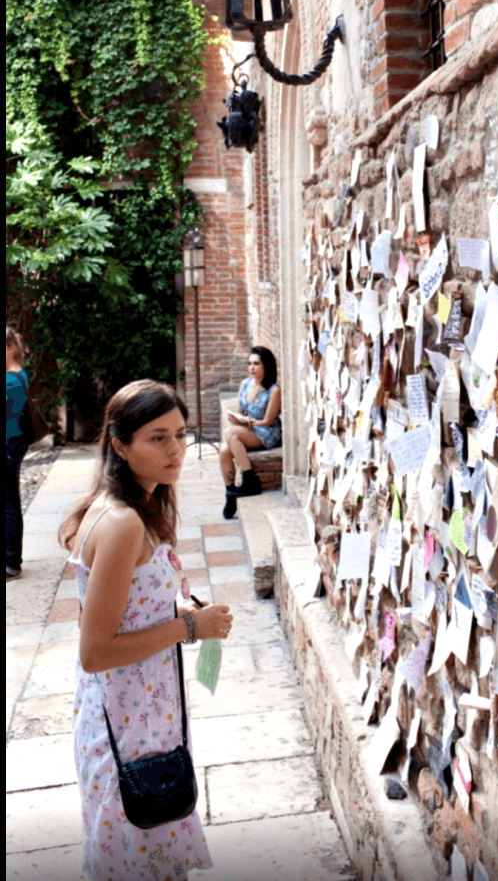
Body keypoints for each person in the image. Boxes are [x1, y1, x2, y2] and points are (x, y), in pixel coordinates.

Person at [59, 379, 233, 881]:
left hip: (141, 717)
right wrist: (188, 626)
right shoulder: (122, 524)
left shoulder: (136, 510)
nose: (175, 448)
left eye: (179, 434)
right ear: (119, 444)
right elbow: (94, 650)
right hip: (126, 728)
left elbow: (111, 608)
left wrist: (173, 611)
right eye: (157, 437)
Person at [219, 346, 281, 519]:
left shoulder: (274, 390)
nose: (251, 367)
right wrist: (237, 418)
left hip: (266, 432)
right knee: (224, 451)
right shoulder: (244, 384)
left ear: (266, 366)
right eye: (249, 363)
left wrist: (249, 422)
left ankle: (249, 481)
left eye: (256, 364)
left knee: (231, 434)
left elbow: (268, 421)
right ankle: (230, 494)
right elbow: (239, 411)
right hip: (247, 429)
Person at [6, 326, 29, 580]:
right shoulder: (20, 375)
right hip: (14, 442)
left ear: (12, 348)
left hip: (8, 444)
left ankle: (11, 562)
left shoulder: (10, 381)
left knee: (10, 504)